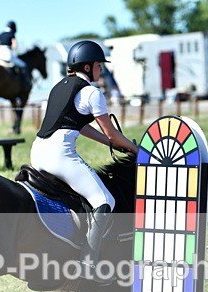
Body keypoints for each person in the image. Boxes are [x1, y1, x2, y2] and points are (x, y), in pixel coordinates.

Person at [30, 40, 138, 266]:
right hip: (59, 155)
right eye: (100, 65)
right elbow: (113, 134)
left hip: (38, 151)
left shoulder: (60, 86)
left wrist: (109, 143)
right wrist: (135, 149)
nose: (102, 70)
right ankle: (89, 261)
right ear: (88, 67)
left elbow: (80, 125)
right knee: (104, 199)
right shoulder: (92, 92)